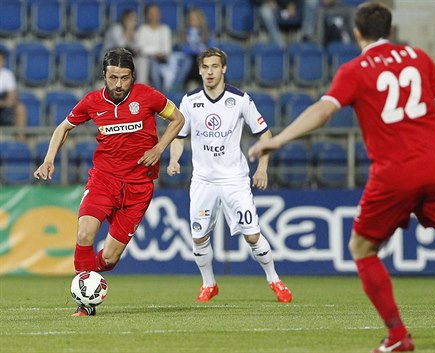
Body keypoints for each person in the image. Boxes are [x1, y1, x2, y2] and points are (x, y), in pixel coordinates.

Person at [248, 2, 435, 352]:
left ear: (357, 33)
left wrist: (277, 140)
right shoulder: (417, 57)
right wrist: (423, 134)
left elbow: (323, 111)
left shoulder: (355, 69)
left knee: (361, 249)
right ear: (391, 31)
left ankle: (398, 335)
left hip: (394, 174)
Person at [33, 48, 185, 317]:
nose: (118, 84)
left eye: (124, 78)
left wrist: (160, 148)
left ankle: (85, 275)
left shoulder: (148, 96)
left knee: (110, 258)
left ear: (132, 76)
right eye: (113, 77)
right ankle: (85, 301)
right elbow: (62, 128)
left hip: (139, 187)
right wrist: (49, 159)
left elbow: (178, 119)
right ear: (104, 75)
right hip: (104, 179)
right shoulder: (92, 102)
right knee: (84, 234)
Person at [166, 47, 292, 304]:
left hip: (234, 179)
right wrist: (174, 159)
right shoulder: (190, 101)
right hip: (202, 180)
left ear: (223, 69)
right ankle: (209, 284)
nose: (209, 72)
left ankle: (274, 279)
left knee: (252, 234)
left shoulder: (240, 99)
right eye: (205, 67)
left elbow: (265, 134)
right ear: (199, 70)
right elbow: (179, 136)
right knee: (199, 236)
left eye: (214, 66)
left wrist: (262, 168)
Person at [134, 3, 180, 92]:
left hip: (163, 59)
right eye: (152, 13)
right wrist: (155, 52)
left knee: (184, 61)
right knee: (153, 63)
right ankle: (159, 91)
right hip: (148, 60)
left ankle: (174, 86)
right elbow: (141, 48)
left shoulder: (165, 29)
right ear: (147, 15)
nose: (155, 16)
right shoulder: (142, 30)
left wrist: (157, 52)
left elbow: (167, 49)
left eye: (156, 13)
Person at [251, 0, 320, 47]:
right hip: (270, 9)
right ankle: (279, 44)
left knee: (312, 1)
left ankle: (306, 36)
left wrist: (291, 3)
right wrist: (267, 1)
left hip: (288, 7)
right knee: (265, 11)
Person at [0, 49, 27, 141]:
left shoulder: (7, 75)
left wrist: (3, 103)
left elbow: (12, 97)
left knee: (20, 108)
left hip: (4, 109)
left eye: (1, 60)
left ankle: (21, 140)